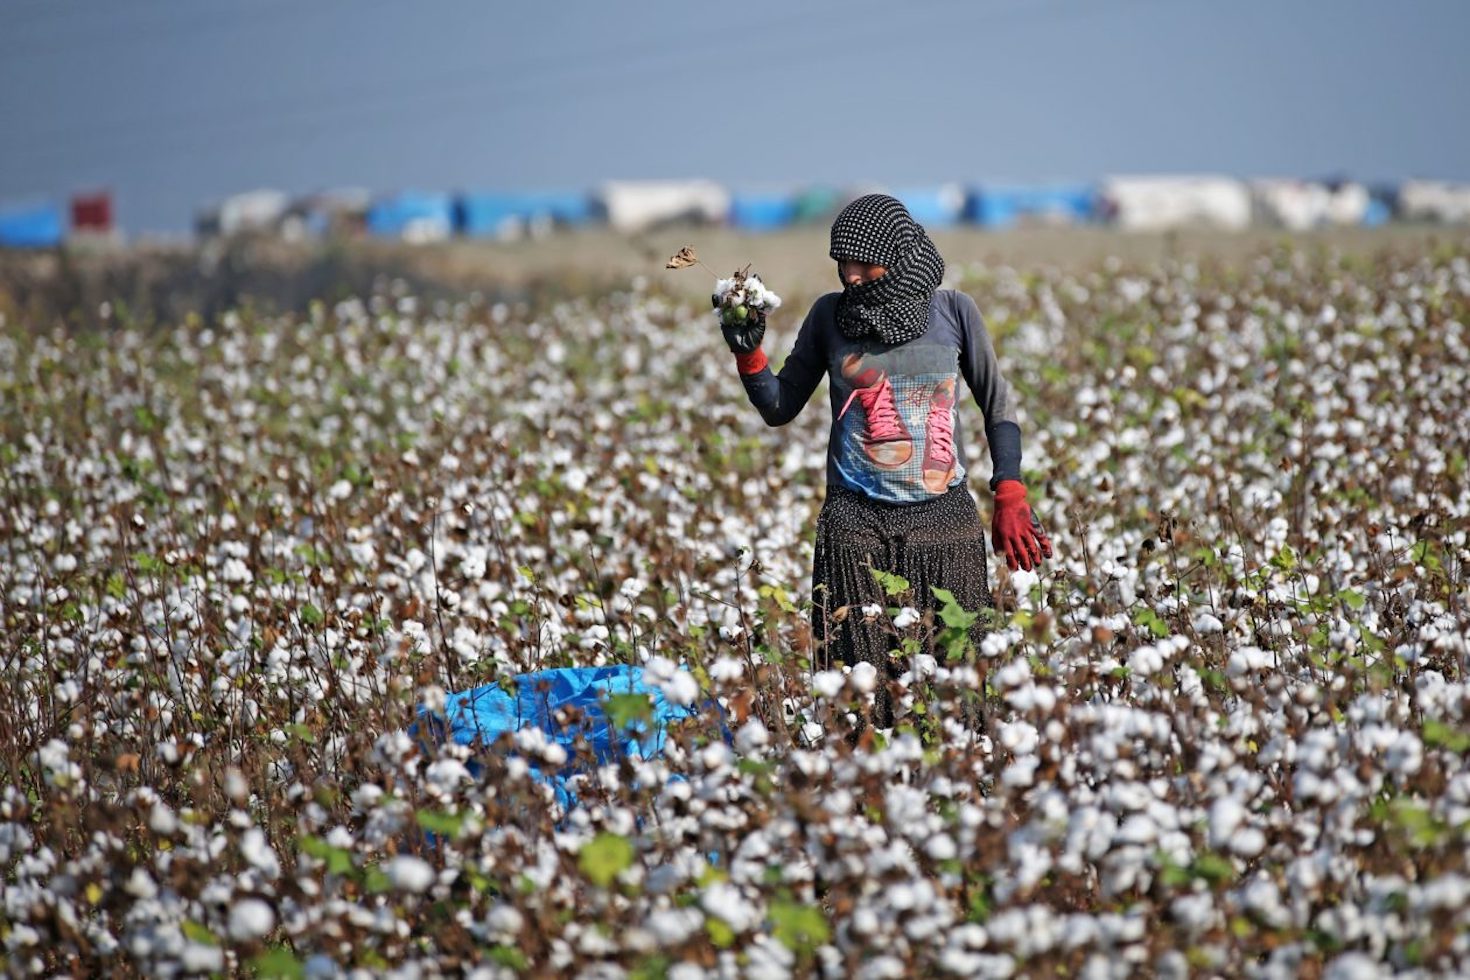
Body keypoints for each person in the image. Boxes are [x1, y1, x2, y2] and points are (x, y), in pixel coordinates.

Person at [719, 194, 1052, 720]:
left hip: (946, 524)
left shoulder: (954, 311)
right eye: (841, 264)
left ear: (897, 257)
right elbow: (779, 407)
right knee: (859, 698)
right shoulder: (830, 315)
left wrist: (1009, 490)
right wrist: (749, 355)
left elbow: (998, 405)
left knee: (960, 691)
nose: (849, 276)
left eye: (861, 263)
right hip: (854, 526)